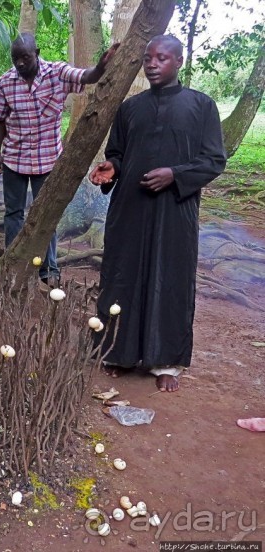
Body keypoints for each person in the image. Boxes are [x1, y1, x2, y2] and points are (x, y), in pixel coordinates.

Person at [89, 35, 227, 393]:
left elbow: (214, 160)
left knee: (171, 279)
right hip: (129, 209)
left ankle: (166, 362)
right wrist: (112, 167)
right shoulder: (130, 108)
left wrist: (175, 175)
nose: (152, 64)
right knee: (122, 274)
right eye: (148, 58)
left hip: (174, 212)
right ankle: (116, 352)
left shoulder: (201, 107)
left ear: (179, 62)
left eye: (161, 58)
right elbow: (118, 151)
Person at [0, 33, 119, 287]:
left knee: (45, 215)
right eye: (16, 59)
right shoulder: (5, 82)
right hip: (14, 160)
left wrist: (102, 66)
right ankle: (12, 265)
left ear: (36, 53)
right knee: (13, 214)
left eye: (25, 57)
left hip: (47, 161)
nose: (21, 63)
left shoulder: (56, 73)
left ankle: (48, 269)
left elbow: (87, 76)